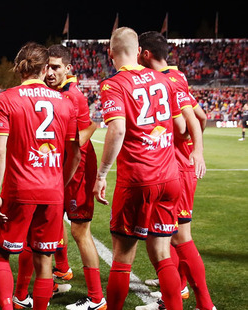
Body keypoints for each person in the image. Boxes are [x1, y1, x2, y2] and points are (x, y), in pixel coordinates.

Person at [93, 27, 186, 310]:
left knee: (123, 255)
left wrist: (101, 173)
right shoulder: (164, 79)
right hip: (170, 177)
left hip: (138, 179)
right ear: (138, 51)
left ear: (110, 54)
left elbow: (118, 129)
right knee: (162, 253)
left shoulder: (114, 84)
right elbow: (181, 127)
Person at [0, 42, 80, 310]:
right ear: (44, 69)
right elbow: (75, 153)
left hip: (18, 189)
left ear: (19, 67)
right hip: (52, 192)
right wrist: (59, 185)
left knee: (1, 254)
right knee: (44, 262)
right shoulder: (65, 103)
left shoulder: (5, 99)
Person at [137, 30, 215, 310]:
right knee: (167, 234)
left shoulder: (164, 81)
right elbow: (201, 117)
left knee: (179, 237)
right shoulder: (177, 76)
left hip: (175, 168)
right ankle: (179, 289)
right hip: (181, 166)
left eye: (138, 52)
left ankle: (205, 304)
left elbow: (182, 127)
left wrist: (185, 145)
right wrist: (195, 146)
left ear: (145, 53)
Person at [40, 44, 105, 310]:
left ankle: (96, 298)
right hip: (63, 168)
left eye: (56, 67)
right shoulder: (55, 93)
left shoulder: (70, 96)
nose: (50, 72)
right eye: (47, 67)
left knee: (80, 231)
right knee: (53, 219)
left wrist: (61, 181)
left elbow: (81, 138)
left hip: (77, 172)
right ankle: (62, 272)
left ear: (68, 68)